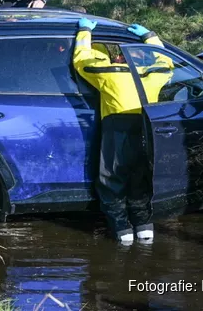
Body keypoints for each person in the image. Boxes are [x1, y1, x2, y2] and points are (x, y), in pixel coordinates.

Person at [73, 18, 173, 244]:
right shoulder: (153, 75)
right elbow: (167, 62)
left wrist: (85, 32)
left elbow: (82, 59)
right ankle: (145, 227)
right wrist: (150, 36)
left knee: (111, 178)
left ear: (117, 57)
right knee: (141, 177)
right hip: (146, 130)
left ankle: (121, 229)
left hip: (116, 129)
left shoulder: (109, 73)